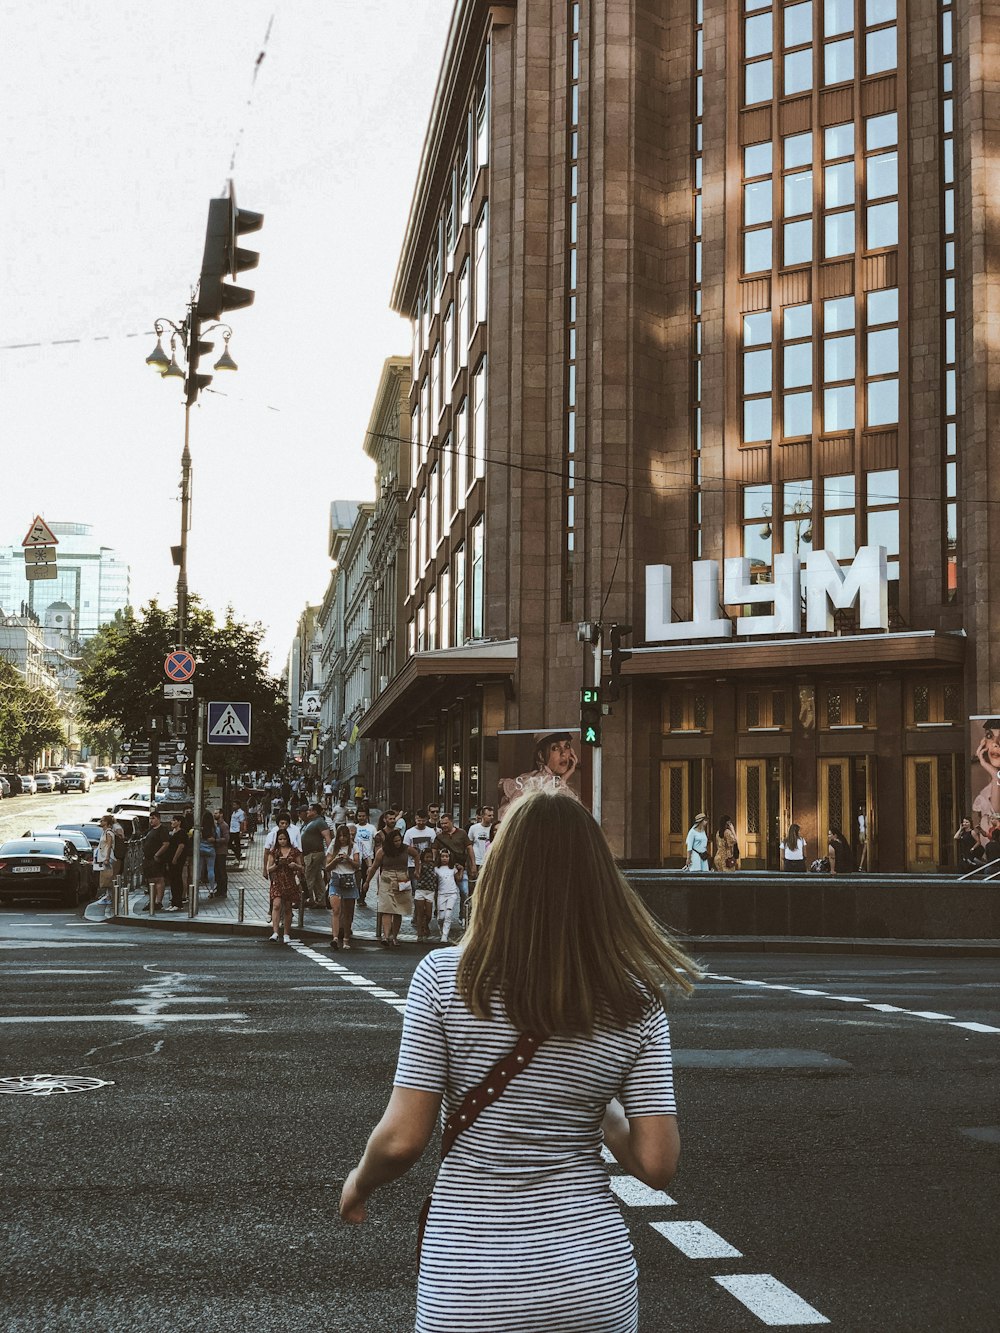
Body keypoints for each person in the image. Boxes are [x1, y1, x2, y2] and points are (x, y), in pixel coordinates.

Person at [339, 787, 699, 1333]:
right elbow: (657, 1163)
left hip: (472, 1279)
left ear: (502, 871)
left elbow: (403, 1140)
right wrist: (589, 1100)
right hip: (591, 1277)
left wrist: (359, 1183)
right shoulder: (636, 996)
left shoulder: (446, 978)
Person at [498, 730, 581, 818]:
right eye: (555, 748)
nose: (563, 753)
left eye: (567, 746)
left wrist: (563, 779)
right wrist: (563, 781)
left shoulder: (559, 784)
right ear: (541, 755)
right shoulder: (533, 782)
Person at [366, 827, 413, 948]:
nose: (398, 843)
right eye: (395, 841)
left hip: (402, 877)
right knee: (386, 908)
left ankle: (395, 936)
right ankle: (386, 936)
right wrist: (367, 882)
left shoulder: (405, 849)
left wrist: (417, 870)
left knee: (399, 910)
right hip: (387, 878)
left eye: (399, 840)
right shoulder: (382, 851)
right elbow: (375, 867)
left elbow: (417, 855)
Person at [266, 828, 304, 944]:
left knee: (288, 907)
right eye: (280, 839)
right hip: (277, 881)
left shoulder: (294, 851)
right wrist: (277, 864)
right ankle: (275, 932)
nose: (282, 841)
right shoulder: (274, 852)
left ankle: (286, 933)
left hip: (289, 881)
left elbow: (301, 866)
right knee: (276, 905)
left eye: (284, 839)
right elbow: (269, 868)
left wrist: (294, 866)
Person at [326, 826, 359, 950]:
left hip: (349, 879)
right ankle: (335, 938)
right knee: (336, 910)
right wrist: (335, 860)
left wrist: (348, 859)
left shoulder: (353, 846)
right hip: (336, 879)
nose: (342, 839)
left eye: (345, 836)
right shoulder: (334, 845)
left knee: (348, 912)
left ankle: (346, 938)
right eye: (340, 836)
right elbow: (327, 866)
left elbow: (357, 865)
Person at [301, 802, 333, 909]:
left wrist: (329, 853)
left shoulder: (320, 822)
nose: (307, 812)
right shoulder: (310, 822)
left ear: (315, 811)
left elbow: (327, 837)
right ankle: (321, 900)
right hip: (308, 854)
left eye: (309, 810)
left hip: (314, 854)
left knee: (308, 877)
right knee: (318, 879)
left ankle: (303, 898)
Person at [142, 811, 170, 911]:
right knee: (150, 881)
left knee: (158, 880)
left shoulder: (162, 830)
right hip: (148, 860)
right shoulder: (150, 830)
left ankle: (158, 902)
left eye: (153, 818)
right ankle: (152, 902)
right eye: (150, 818)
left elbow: (166, 843)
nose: (151, 820)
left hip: (156, 860)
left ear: (158, 819)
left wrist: (157, 854)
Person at [434, 846, 463, 944]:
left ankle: (445, 935)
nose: (445, 858)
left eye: (446, 856)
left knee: (448, 915)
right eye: (442, 856)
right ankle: (442, 930)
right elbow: (435, 882)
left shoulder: (452, 869)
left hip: (452, 893)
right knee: (441, 916)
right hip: (441, 894)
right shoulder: (436, 869)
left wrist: (461, 870)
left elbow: (458, 878)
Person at [403, 809, 438, 887]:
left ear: (427, 819)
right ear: (415, 819)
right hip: (412, 864)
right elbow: (405, 848)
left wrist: (433, 861)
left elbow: (434, 847)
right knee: (415, 887)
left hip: (428, 865)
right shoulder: (409, 832)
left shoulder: (431, 831)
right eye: (419, 821)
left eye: (423, 821)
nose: (421, 823)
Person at [164, 814, 189, 911]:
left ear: (179, 822)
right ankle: (174, 901)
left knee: (177, 879)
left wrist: (175, 858)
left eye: (174, 820)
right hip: (170, 859)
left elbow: (181, 846)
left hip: (177, 860)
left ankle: (178, 902)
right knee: (173, 880)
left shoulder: (181, 833)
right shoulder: (173, 832)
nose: (172, 822)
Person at [413, 847, 438, 942]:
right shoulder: (421, 865)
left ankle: (425, 925)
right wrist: (417, 871)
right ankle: (419, 934)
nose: (429, 859)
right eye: (427, 857)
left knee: (428, 914)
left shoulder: (434, 866)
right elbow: (417, 874)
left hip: (430, 891)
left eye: (430, 857)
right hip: (420, 890)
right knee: (420, 913)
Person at [353, 807, 377, 902]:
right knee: (357, 879)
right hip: (357, 857)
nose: (361, 818)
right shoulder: (354, 828)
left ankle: (363, 896)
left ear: (366, 816)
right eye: (359, 816)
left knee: (366, 878)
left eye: (363, 816)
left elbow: (377, 839)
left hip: (368, 857)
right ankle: (358, 895)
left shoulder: (371, 828)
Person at [467, 805, 495, 879]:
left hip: (489, 861)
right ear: (482, 816)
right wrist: (471, 863)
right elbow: (469, 845)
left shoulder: (494, 828)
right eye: (489, 815)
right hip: (477, 861)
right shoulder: (473, 828)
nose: (491, 817)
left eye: (492, 815)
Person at [94, 816, 116, 906]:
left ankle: (109, 897)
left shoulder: (108, 833)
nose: (100, 822)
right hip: (104, 857)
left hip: (107, 858)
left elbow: (109, 846)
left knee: (107, 878)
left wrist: (106, 858)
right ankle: (108, 896)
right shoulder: (104, 832)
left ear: (106, 822)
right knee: (106, 878)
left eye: (102, 821)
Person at [198, 810, 217, 896]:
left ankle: (195, 888)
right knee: (210, 869)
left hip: (200, 849)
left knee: (199, 868)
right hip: (210, 849)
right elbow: (217, 836)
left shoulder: (200, 829)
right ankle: (212, 889)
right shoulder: (214, 828)